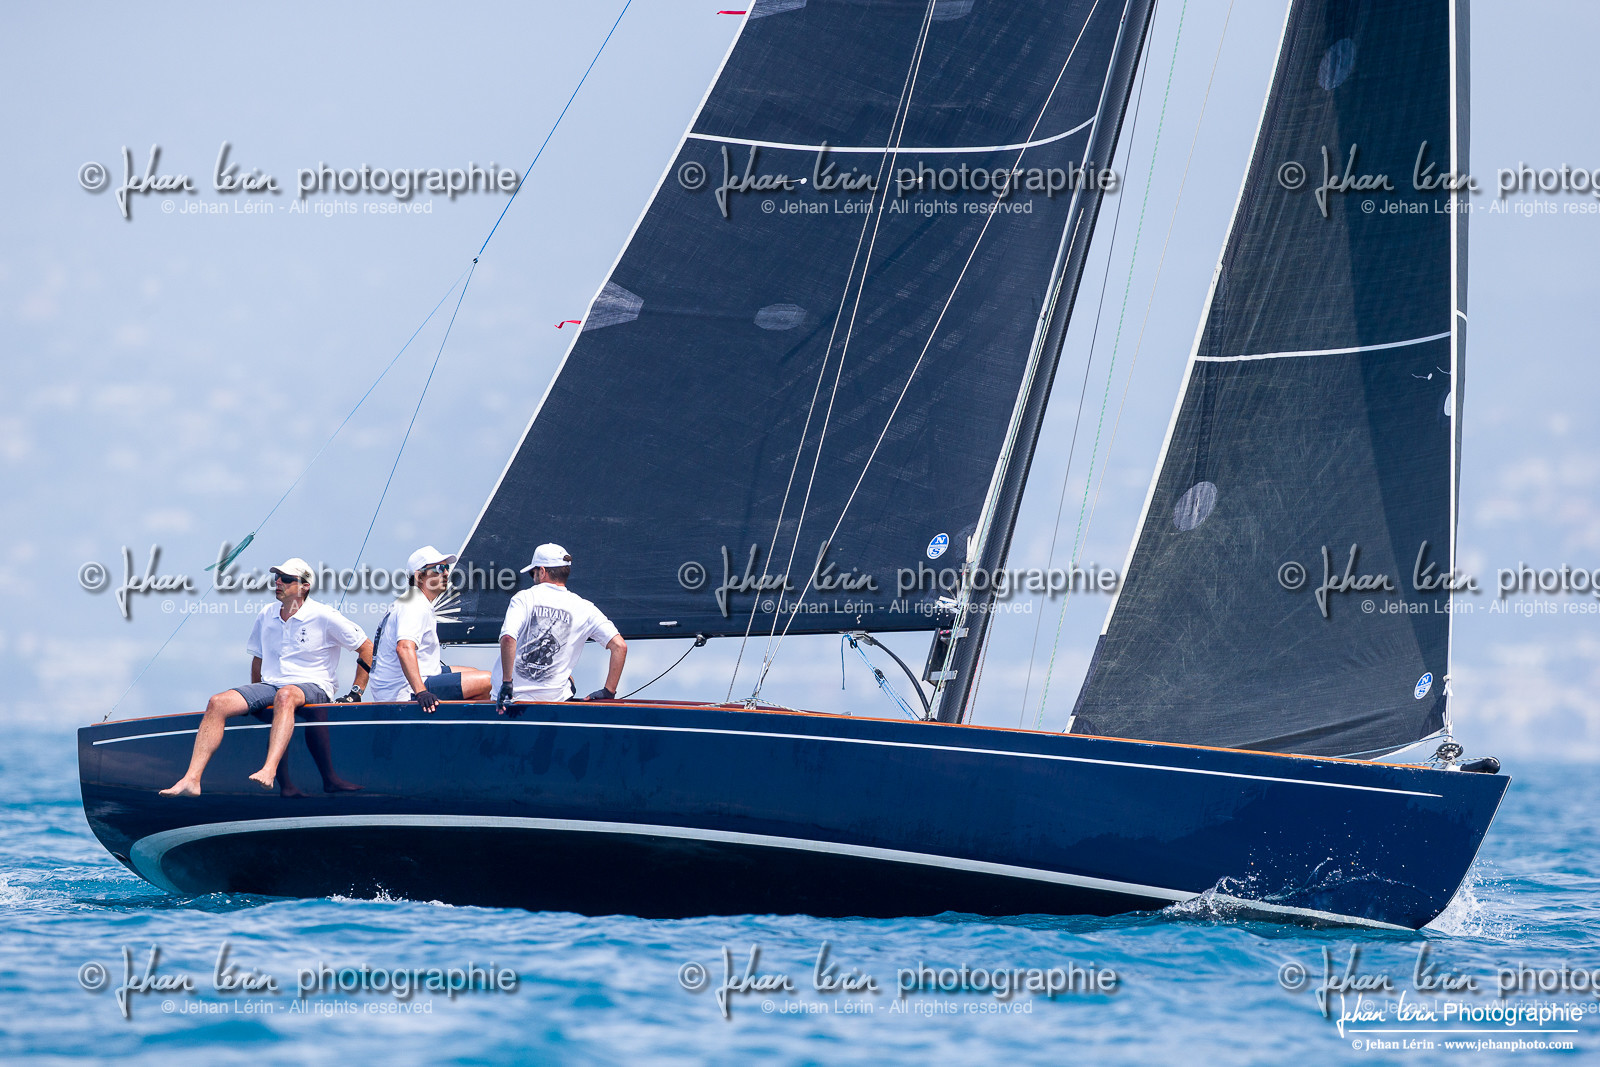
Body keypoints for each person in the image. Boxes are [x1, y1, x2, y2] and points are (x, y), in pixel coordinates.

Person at [160, 557, 372, 796]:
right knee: (217, 702)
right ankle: (191, 779)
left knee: (285, 695)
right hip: (271, 685)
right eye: (276, 578)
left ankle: (269, 770)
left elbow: (367, 648)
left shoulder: (325, 615)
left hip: (314, 684)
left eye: (287, 579)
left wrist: (356, 693)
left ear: (304, 586)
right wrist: (255, 699)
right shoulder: (266, 614)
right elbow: (258, 659)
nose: (278, 582)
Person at [496, 544, 626, 712]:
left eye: (532, 573)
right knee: (568, 680)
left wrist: (507, 683)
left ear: (542, 572)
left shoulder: (524, 598)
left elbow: (508, 638)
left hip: (512, 702)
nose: (533, 577)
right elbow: (620, 646)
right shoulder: (585, 608)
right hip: (553, 705)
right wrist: (608, 692)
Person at [364, 546, 492, 708]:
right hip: (402, 691)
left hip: (405, 682)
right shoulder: (414, 603)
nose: (446, 573)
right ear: (419, 576)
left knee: (473, 672)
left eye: (447, 568)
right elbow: (404, 648)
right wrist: (421, 692)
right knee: (489, 681)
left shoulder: (413, 600)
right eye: (439, 569)